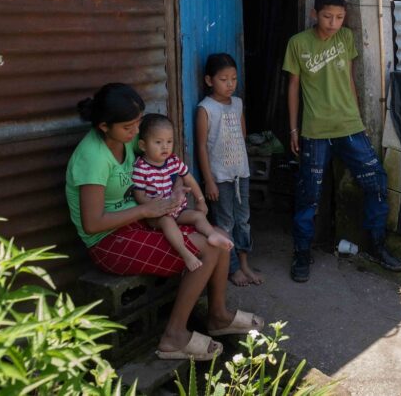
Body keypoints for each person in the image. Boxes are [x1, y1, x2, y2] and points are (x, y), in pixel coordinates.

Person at [65, 83, 263, 361]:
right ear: (103, 126)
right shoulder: (93, 158)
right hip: (108, 240)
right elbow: (93, 224)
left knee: (218, 236)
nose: (136, 132)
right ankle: (174, 336)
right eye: (129, 127)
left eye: (138, 123)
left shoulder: (127, 138)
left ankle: (218, 316)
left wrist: (176, 188)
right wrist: (147, 209)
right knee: (208, 249)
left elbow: (167, 160)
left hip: (142, 220)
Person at [283, 0, 401, 283]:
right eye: (327, 16)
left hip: (349, 126)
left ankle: (376, 245)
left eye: (339, 17)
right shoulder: (298, 43)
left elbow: (349, 78)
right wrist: (294, 128)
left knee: (376, 181)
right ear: (315, 14)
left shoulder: (346, 38)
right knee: (309, 194)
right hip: (315, 130)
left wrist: (358, 118)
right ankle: (302, 252)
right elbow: (293, 87)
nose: (333, 23)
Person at [132, 113, 234, 273]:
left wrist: (200, 200)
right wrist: (156, 206)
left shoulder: (173, 161)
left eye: (169, 141)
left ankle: (211, 235)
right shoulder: (141, 168)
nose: (165, 147)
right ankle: (185, 253)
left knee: (198, 216)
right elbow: (139, 196)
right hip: (157, 216)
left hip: (177, 211)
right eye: (158, 142)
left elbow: (190, 180)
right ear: (143, 145)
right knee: (167, 221)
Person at [196, 53, 262, 286]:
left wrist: (242, 166)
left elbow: (242, 136)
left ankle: (244, 263)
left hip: (240, 174)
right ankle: (232, 268)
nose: (230, 84)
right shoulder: (205, 109)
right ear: (209, 80)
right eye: (223, 79)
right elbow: (201, 147)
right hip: (220, 178)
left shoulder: (238, 104)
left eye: (233, 79)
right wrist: (209, 181)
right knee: (225, 223)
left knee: (243, 220)